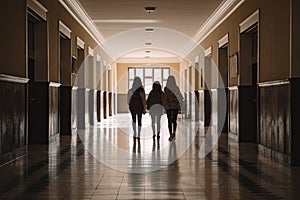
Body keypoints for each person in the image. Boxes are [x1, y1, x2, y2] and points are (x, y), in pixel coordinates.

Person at [163, 75, 183, 141]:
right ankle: (174, 133)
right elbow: (180, 96)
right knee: (174, 120)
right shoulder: (176, 88)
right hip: (175, 106)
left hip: (168, 107)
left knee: (169, 120)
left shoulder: (166, 88)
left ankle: (170, 134)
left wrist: (164, 106)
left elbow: (165, 98)